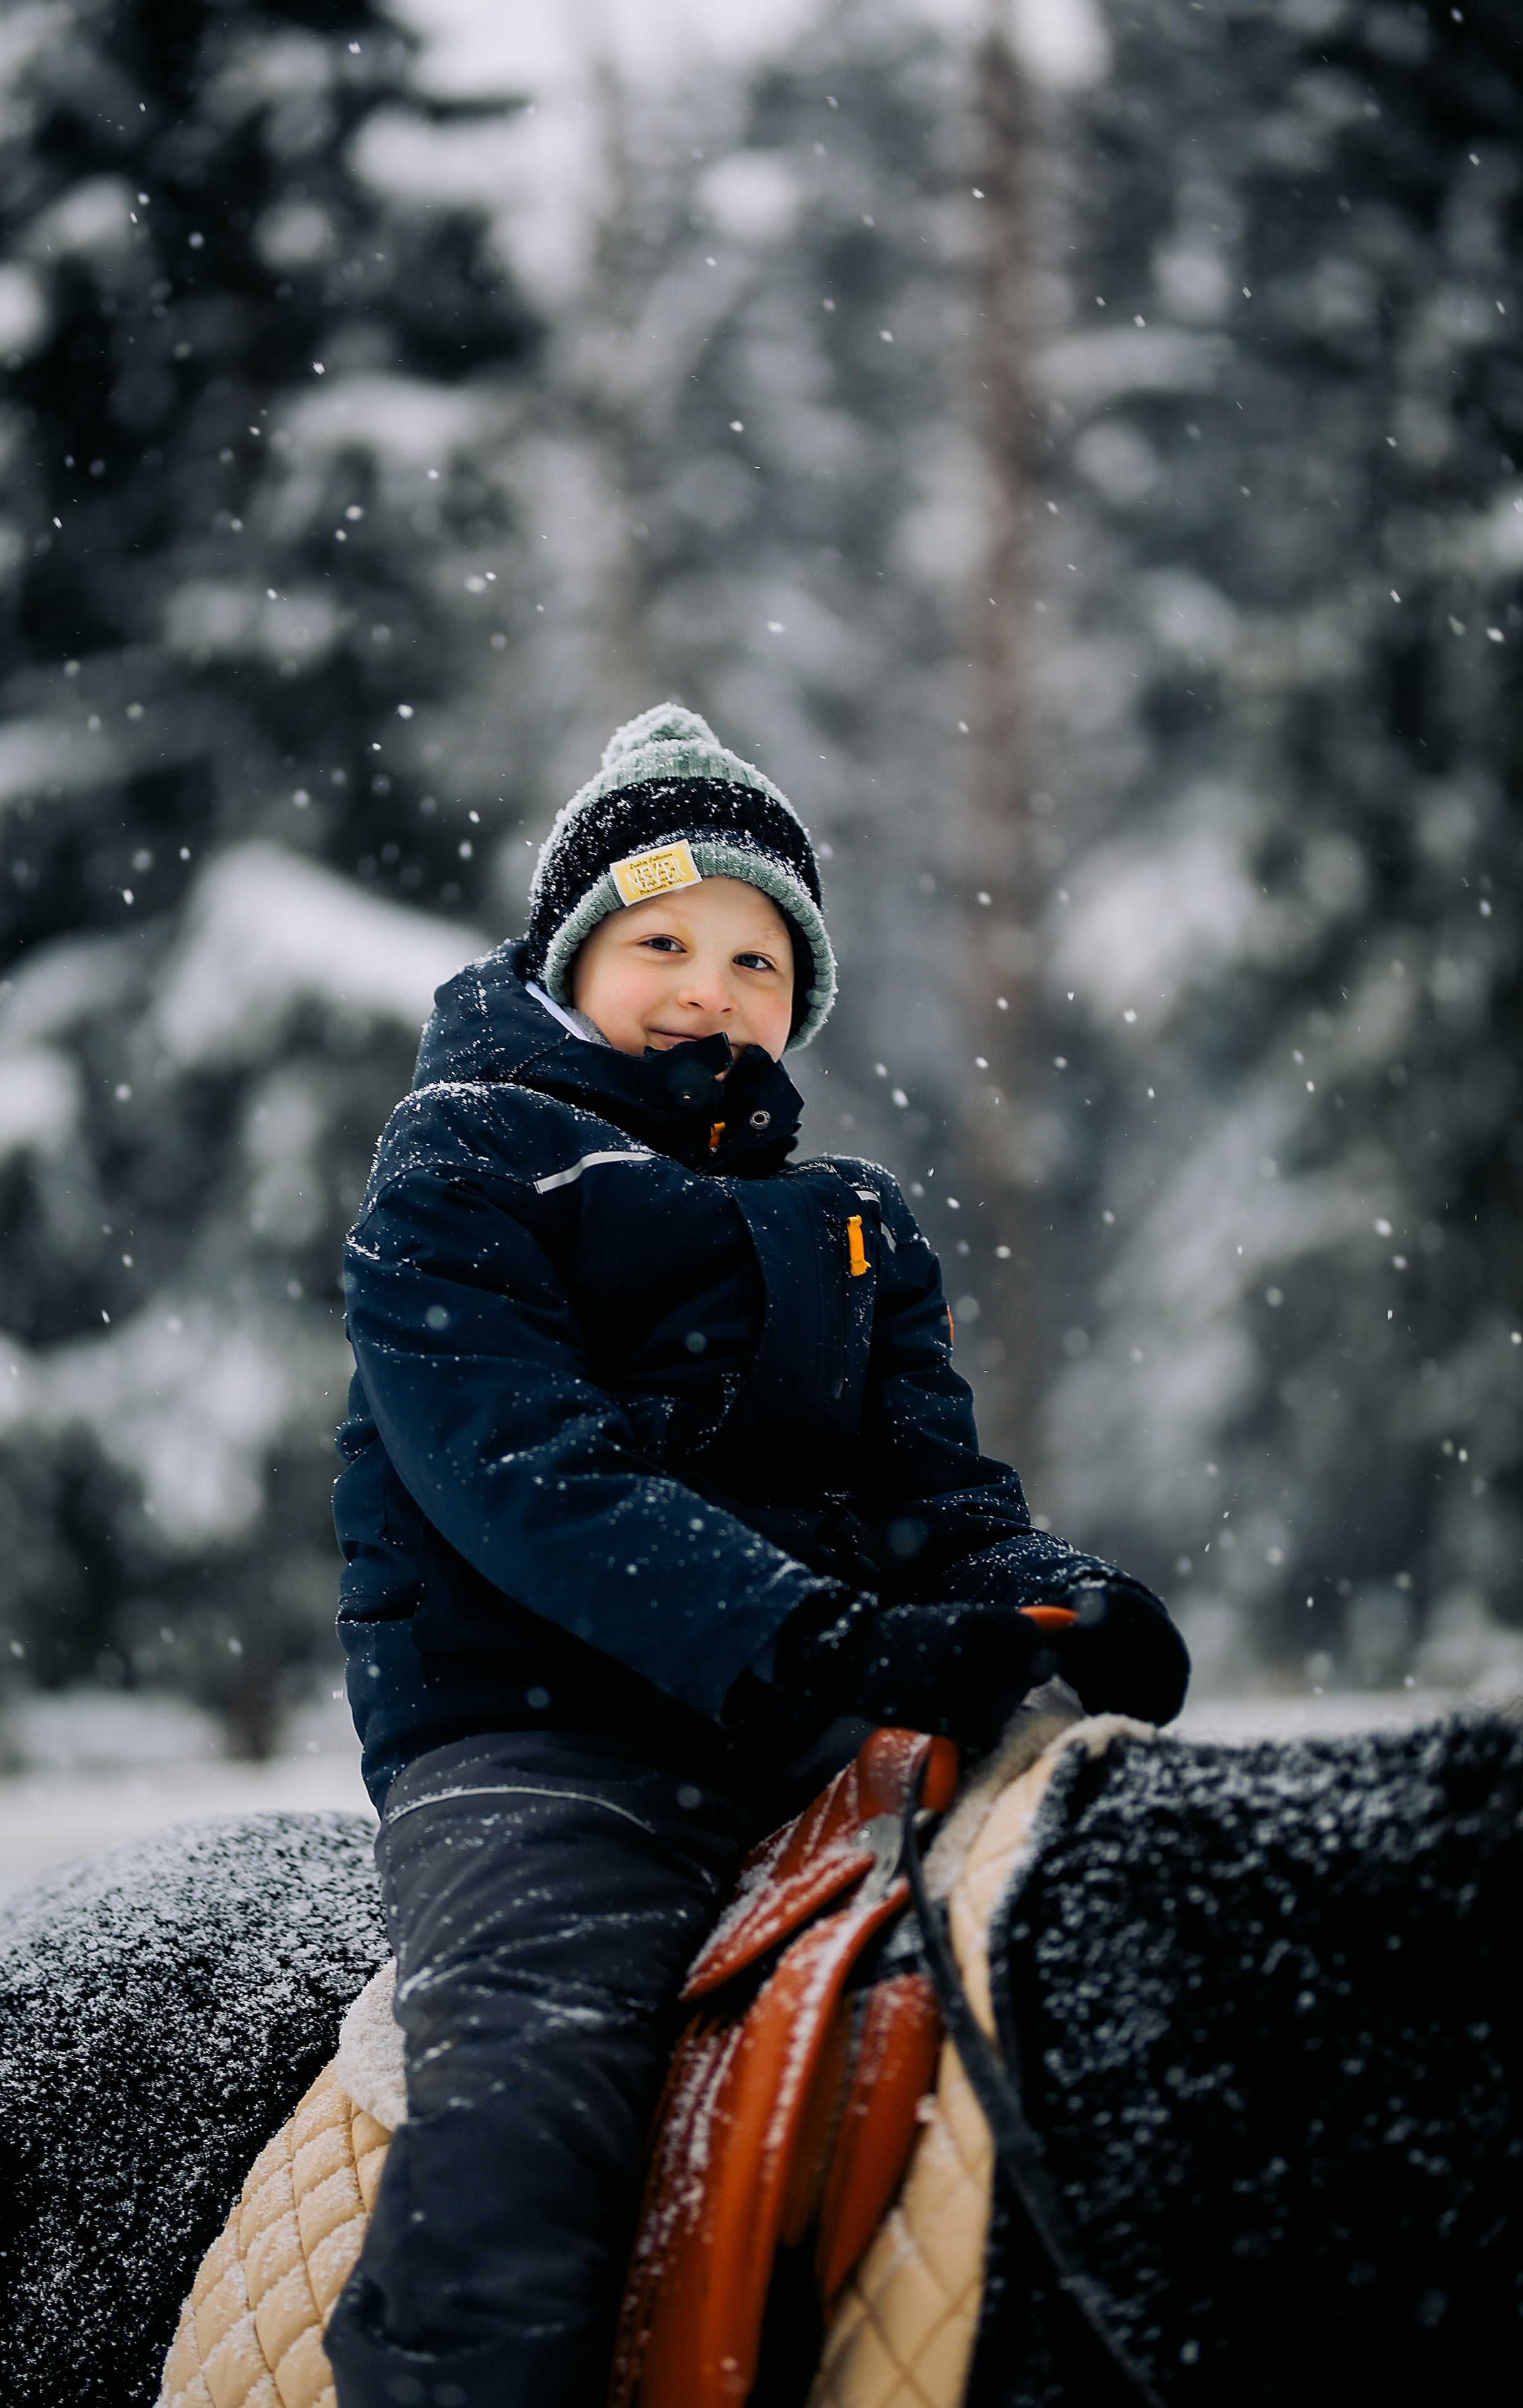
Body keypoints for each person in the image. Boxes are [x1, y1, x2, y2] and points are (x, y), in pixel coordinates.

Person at [322, 702, 1188, 2408]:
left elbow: (938, 1490)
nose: (711, 986)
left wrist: (1051, 1600)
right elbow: (526, 1475)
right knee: (534, 2103)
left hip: (807, 1725)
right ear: (568, 963)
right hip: (542, 1741)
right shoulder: (468, 1161)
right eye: (661, 941)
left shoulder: (852, 1219)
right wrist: (811, 1638)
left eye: (758, 960)